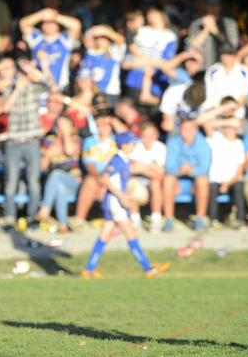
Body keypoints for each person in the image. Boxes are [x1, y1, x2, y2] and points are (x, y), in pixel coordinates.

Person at [82, 132, 171, 279]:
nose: (134, 146)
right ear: (124, 145)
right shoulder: (117, 160)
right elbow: (104, 178)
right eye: (132, 143)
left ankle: (89, 268)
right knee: (130, 233)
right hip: (115, 202)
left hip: (115, 201)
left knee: (105, 234)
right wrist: (122, 195)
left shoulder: (124, 160)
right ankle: (147, 268)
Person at [0, 59, 46, 227]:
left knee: (33, 181)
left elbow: (49, 85)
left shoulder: (35, 89)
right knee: (11, 182)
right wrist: (17, 89)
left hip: (32, 140)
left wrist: (36, 70)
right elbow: (5, 108)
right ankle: (10, 216)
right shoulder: (10, 90)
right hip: (13, 141)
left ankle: (33, 216)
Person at [163, 118, 211, 232]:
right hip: (178, 176)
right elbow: (169, 166)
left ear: (196, 130)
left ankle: (200, 219)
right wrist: (180, 170)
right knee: (168, 180)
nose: (187, 132)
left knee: (203, 181)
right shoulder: (173, 142)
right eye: (184, 129)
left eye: (190, 129)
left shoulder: (203, 143)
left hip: (195, 177)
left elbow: (204, 168)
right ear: (180, 130)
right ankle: (168, 219)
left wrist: (191, 170)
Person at [36, 116, 82, 233]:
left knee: (57, 174)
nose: (61, 129)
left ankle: (45, 209)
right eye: (59, 126)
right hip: (53, 186)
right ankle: (63, 225)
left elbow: (70, 151)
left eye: (65, 126)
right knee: (59, 186)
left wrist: (66, 135)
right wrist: (48, 155)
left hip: (73, 182)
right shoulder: (49, 141)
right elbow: (42, 168)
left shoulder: (76, 140)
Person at [19, 7, 82, 91]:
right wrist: (41, 15)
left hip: (60, 87)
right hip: (38, 86)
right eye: (46, 22)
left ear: (58, 25)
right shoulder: (37, 39)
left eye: (52, 22)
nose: (49, 25)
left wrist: (55, 16)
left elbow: (76, 25)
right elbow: (23, 23)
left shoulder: (64, 40)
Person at [204, 109, 246, 229]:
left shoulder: (239, 144)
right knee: (211, 188)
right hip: (216, 180)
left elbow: (239, 170)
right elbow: (207, 124)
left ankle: (240, 220)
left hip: (232, 181)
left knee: (239, 187)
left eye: (230, 127)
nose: (228, 130)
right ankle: (213, 220)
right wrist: (225, 122)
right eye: (226, 127)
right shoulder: (216, 139)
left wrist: (227, 184)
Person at [186, 0, 239, 71]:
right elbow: (190, 48)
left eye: (216, 5)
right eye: (210, 4)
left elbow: (232, 47)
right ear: (205, 6)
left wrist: (216, 31)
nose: (213, 7)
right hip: (202, 70)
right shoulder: (196, 24)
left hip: (225, 70)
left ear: (220, 6)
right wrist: (206, 30)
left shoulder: (230, 23)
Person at [129, 122, 167, 233]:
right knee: (131, 183)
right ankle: (134, 219)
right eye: (145, 135)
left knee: (155, 184)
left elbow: (160, 172)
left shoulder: (161, 148)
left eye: (151, 135)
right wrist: (148, 168)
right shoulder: (136, 147)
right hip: (138, 178)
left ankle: (156, 219)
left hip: (155, 180)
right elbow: (131, 168)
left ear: (157, 135)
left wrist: (143, 167)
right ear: (140, 136)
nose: (148, 138)